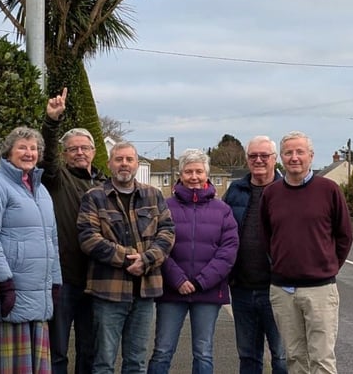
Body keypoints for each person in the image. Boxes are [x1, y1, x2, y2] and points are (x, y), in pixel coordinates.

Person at [260, 131, 353, 374]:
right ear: (281, 157)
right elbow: (267, 237)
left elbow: (344, 236)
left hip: (320, 290)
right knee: (294, 358)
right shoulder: (271, 194)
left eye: (300, 152)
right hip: (283, 291)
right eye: (289, 152)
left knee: (322, 359)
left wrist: (327, 266)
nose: (294, 157)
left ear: (310, 156)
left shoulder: (329, 190)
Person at [78, 141, 175, 374]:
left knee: (136, 362)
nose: (124, 164)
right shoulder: (94, 197)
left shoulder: (153, 195)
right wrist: (130, 258)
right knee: (103, 363)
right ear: (110, 163)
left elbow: (167, 232)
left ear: (136, 164)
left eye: (129, 159)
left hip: (145, 292)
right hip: (108, 292)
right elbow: (88, 238)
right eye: (119, 159)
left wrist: (147, 259)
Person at [0, 126, 62, 373]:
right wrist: (5, 282)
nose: (29, 153)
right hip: (10, 295)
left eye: (33, 148)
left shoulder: (41, 190)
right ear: (8, 152)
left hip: (38, 298)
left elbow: (51, 239)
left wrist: (55, 281)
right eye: (22, 147)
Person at [147, 148, 239, 374]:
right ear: (180, 174)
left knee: (204, 351)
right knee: (162, 350)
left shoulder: (223, 210)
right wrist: (177, 279)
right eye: (189, 171)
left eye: (199, 171)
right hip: (171, 290)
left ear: (206, 174)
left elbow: (228, 251)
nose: (194, 176)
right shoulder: (165, 207)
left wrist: (199, 282)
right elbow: (157, 245)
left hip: (208, 291)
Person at [41, 87, 107, 374]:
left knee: (89, 350)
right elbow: (48, 155)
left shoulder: (105, 184)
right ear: (65, 154)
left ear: (93, 151)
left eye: (85, 148)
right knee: (57, 350)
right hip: (64, 278)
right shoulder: (57, 179)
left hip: (97, 279)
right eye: (73, 149)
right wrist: (52, 122)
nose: (80, 152)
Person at [222, 136, 287, 374]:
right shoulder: (235, 191)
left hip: (278, 289)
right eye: (253, 156)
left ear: (274, 159)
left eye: (264, 156)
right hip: (242, 288)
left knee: (281, 356)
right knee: (248, 356)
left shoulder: (287, 190)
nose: (258, 160)